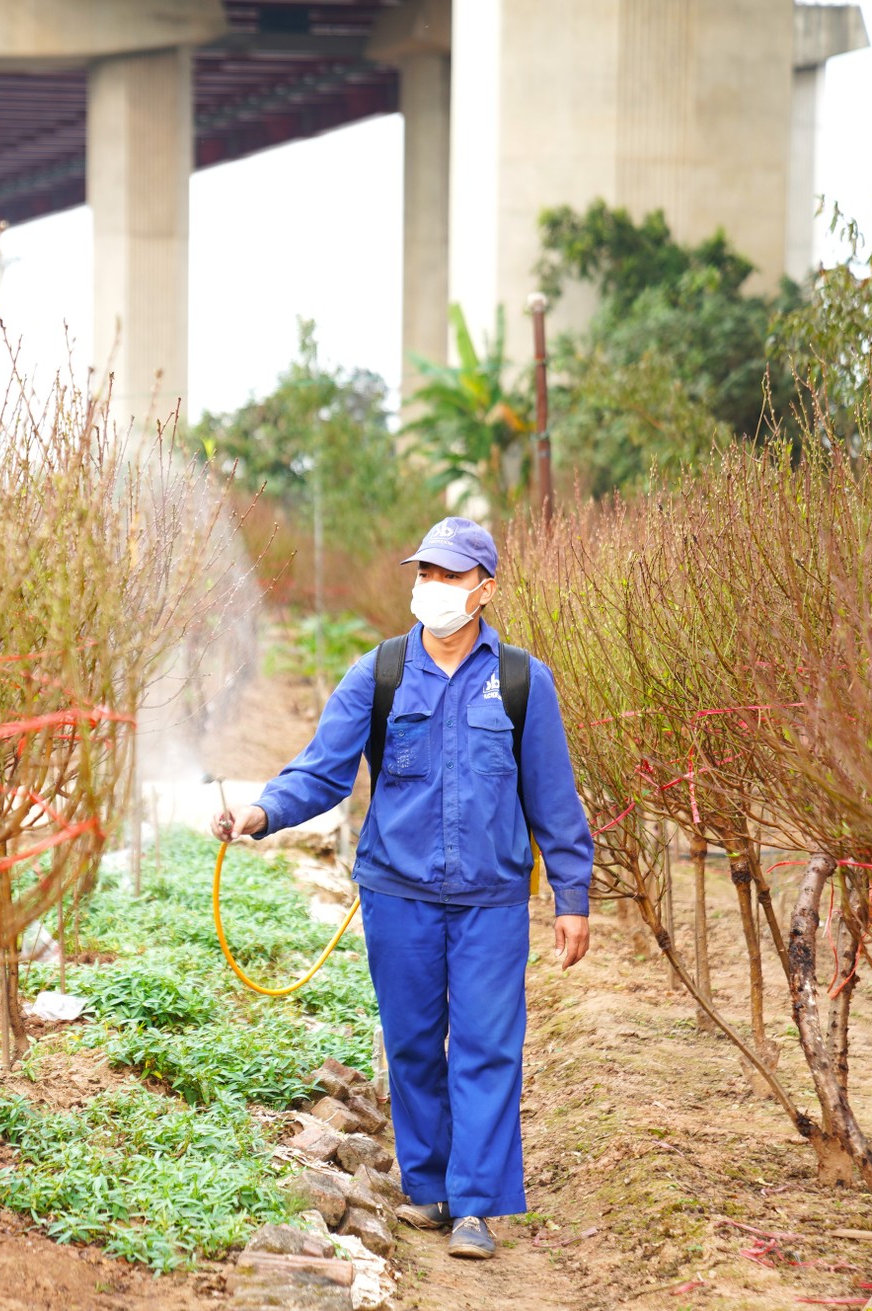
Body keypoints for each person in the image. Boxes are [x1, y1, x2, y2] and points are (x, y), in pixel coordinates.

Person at [211, 516, 593, 1261]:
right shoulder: (379, 673)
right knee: (415, 1045)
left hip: (490, 899)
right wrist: (261, 811)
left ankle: (477, 1204)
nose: (433, 587)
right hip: (398, 894)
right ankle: (430, 1187)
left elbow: (554, 797)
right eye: (425, 573)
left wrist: (573, 897)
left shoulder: (519, 680)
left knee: (486, 1046)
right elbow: (322, 768)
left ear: (484, 589)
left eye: (450, 576)